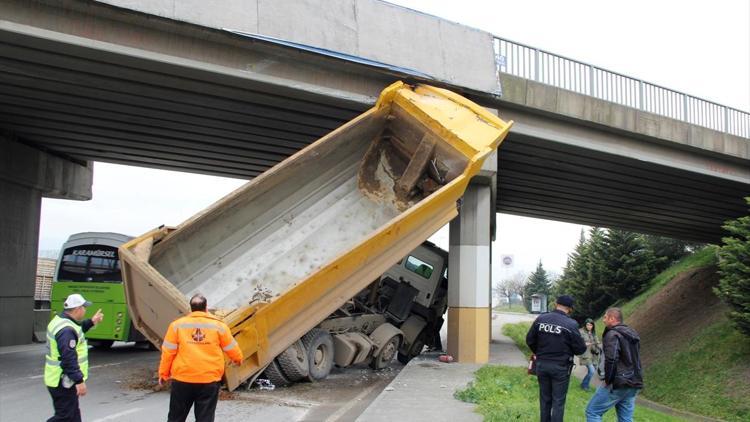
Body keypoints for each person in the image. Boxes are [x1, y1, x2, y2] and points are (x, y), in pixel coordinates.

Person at [159, 294, 243, 422]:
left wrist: (163, 374)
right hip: (208, 380)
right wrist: (238, 359)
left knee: (176, 417)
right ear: (206, 308)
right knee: (205, 418)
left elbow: (168, 353)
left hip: (182, 379)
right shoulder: (219, 326)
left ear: (191, 308)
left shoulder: (176, 326)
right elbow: (232, 348)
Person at [526, 295, 587, 422]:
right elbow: (580, 349)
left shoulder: (541, 319)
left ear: (556, 304)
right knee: (558, 402)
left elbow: (530, 340)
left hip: (542, 365)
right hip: (561, 367)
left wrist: (539, 353)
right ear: (570, 309)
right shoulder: (571, 324)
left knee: (545, 399)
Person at [45, 293, 104, 422]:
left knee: (73, 416)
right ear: (77, 309)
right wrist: (79, 381)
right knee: (65, 416)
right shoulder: (66, 330)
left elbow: (78, 330)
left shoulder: (61, 321)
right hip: (62, 380)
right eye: (84, 307)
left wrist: (92, 322)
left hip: (58, 378)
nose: (85, 310)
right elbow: (68, 359)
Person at [585, 307, 644, 422]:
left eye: (605, 317)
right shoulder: (632, 333)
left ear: (612, 318)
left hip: (618, 382)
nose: (603, 320)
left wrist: (609, 379)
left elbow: (611, 359)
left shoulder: (612, 334)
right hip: (634, 381)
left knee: (593, 412)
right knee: (626, 418)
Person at [577, 318, 602, 391]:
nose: (589, 326)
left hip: (594, 355)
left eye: (591, 325)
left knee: (592, 371)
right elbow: (577, 342)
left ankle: (583, 384)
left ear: (593, 326)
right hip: (586, 355)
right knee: (592, 371)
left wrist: (597, 343)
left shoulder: (593, 333)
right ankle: (585, 386)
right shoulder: (581, 332)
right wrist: (584, 344)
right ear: (585, 325)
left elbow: (597, 342)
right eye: (587, 325)